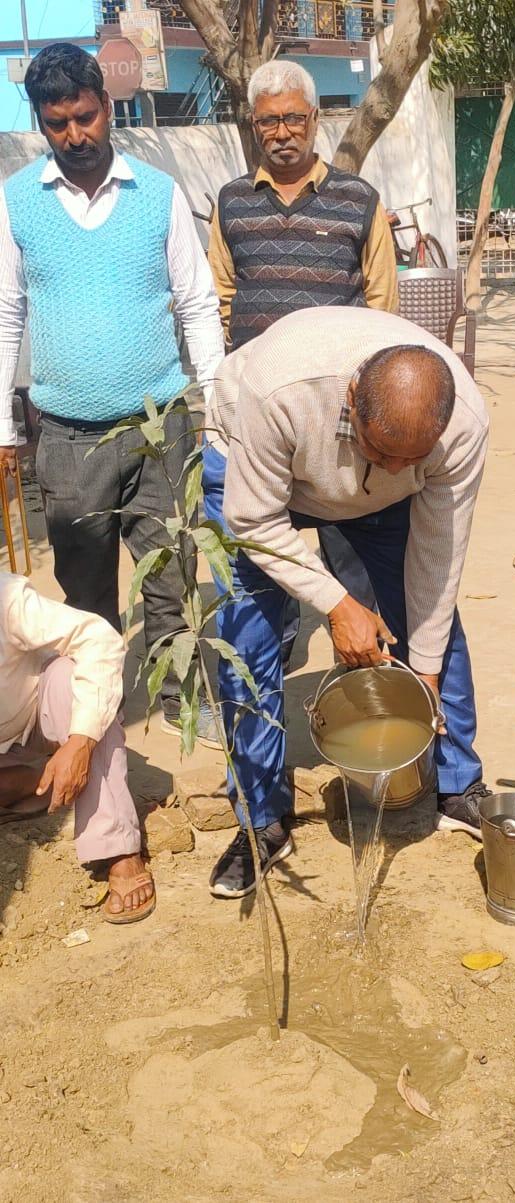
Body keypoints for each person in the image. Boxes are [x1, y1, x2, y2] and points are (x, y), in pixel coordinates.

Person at [205, 306, 490, 898]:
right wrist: (338, 604)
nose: (395, 468)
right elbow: (253, 520)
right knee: (247, 640)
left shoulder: (461, 424)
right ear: (353, 397)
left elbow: (437, 559)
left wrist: (425, 673)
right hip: (254, 468)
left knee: (429, 621)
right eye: (382, 451)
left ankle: (456, 784)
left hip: (375, 501)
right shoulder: (279, 389)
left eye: (411, 460)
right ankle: (260, 822)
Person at [0, 43, 225, 744]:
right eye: (57, 123)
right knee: (85, 585)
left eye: (85, 117)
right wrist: (4, 428)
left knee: (172, 574)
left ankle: (182, 699)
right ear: (41, 122)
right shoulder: (18, 201)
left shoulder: (157, 193)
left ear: (107, 105)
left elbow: (197, 304)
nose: (75, 135)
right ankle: (98, 715)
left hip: (161, 428)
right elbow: (6, 313)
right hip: (68, 438)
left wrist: (216, 408)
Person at [205, 59, 397, 668]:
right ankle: (268, 686)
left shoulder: (358, 201)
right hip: (260, 425)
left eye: (293, 118)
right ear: (254, 125)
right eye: (269, 121)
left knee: (353, 572)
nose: (282, 132)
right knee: (264, 572)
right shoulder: (232, 203)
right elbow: (222, 298)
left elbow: (382, 310)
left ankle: (361, 694)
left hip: (340, 430)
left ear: (314, 119)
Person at [0, 571, 154, 923]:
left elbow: (99, 638)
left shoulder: (5, 597)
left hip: (38, 715)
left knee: (71, 678)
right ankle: (35, 782)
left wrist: (81, 741)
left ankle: (119, 848)